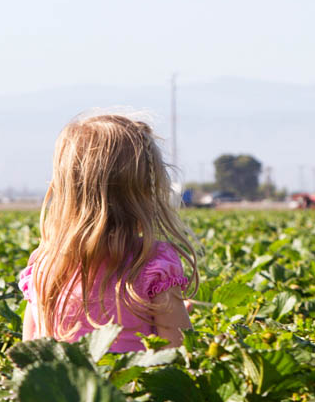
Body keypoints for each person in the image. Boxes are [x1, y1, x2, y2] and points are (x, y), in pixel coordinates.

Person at [19, 113, 198, 352]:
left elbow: (28, 353)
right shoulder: (154, 263)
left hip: (59, 388)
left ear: (65, 190)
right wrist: (176, 315)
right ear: (145, 192)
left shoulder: (45, 265)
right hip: (129, 388)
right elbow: (178, 354)